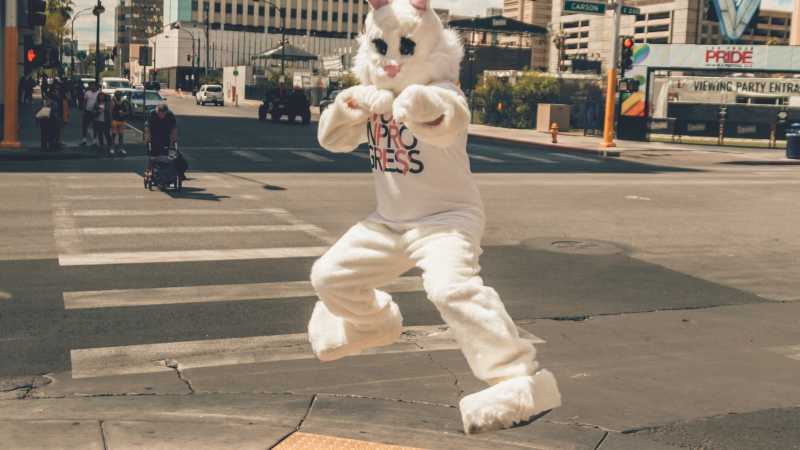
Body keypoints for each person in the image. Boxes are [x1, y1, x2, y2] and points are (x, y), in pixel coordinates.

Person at [145, 104, 187, 179]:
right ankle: (150, 170)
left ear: (166, 112)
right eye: (159, 114)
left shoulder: (170, 115)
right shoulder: (152, 114)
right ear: (157, 112)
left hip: (167, 136)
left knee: (173, 155)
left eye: (163, 114)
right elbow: (148, 128)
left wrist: (172, 142)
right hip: (155, 136)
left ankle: (178, 172)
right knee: (152, 155)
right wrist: (148, 139)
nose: (161, 116)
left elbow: (174, 130)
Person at [110, 91, 130, 155]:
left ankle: (121, 148)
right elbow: (110, 110)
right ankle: (112, 148)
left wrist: (123, 113)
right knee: (114, 134)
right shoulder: (112, 100)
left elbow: (127, 111)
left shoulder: (124, 101)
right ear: (115, 95)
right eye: (117, 95)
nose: (118, 96)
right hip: (114, 119)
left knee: (121, 135)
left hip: (121, 120)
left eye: (119, 95)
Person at [82, 82, 100, 146]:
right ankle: (84, 139)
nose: (92, 87)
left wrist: (98, 110)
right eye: (91, 86)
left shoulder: (99, 93)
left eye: (94, 86)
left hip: (95, 112)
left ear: (96, 87)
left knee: (95, 126)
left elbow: (100, 103)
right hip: (87, 111)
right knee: (85, 126)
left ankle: (94, 140)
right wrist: (84, 110)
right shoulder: (87, 93)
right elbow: (85, 102)